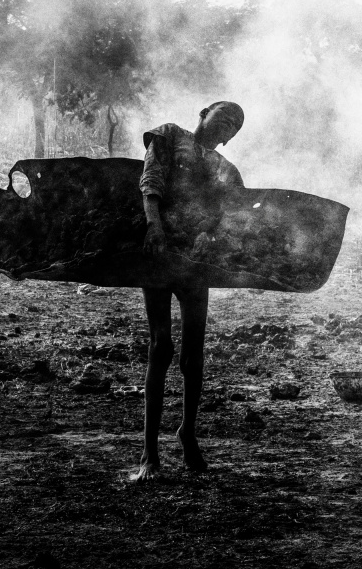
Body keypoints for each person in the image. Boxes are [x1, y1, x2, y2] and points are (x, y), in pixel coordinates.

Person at [133, 100, 245, 482]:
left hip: (196, 265)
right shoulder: (168, 135)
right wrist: (153, 226)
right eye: (224, 118)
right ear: (203, 112)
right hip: (160, 254)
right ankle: (149, 450)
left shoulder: (225, 169)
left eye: (234, 128)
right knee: (160, 345)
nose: (227, 128)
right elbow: (151, 180)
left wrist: (209, 234)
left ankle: (188, 432)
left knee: (193, 354)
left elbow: (228, 213)